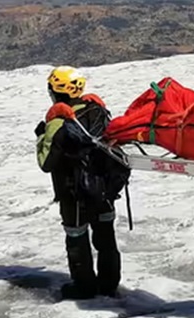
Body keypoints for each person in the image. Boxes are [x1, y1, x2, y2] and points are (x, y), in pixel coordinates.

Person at [35, 66, 131, 300]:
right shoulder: (98, 111)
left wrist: (41, 136)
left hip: (74, 192)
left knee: (77, 237)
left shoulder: (58, 122)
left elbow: (46, 162)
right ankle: (109, 285)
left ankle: (84, 287)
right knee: (105, 237)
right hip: (104, 189)